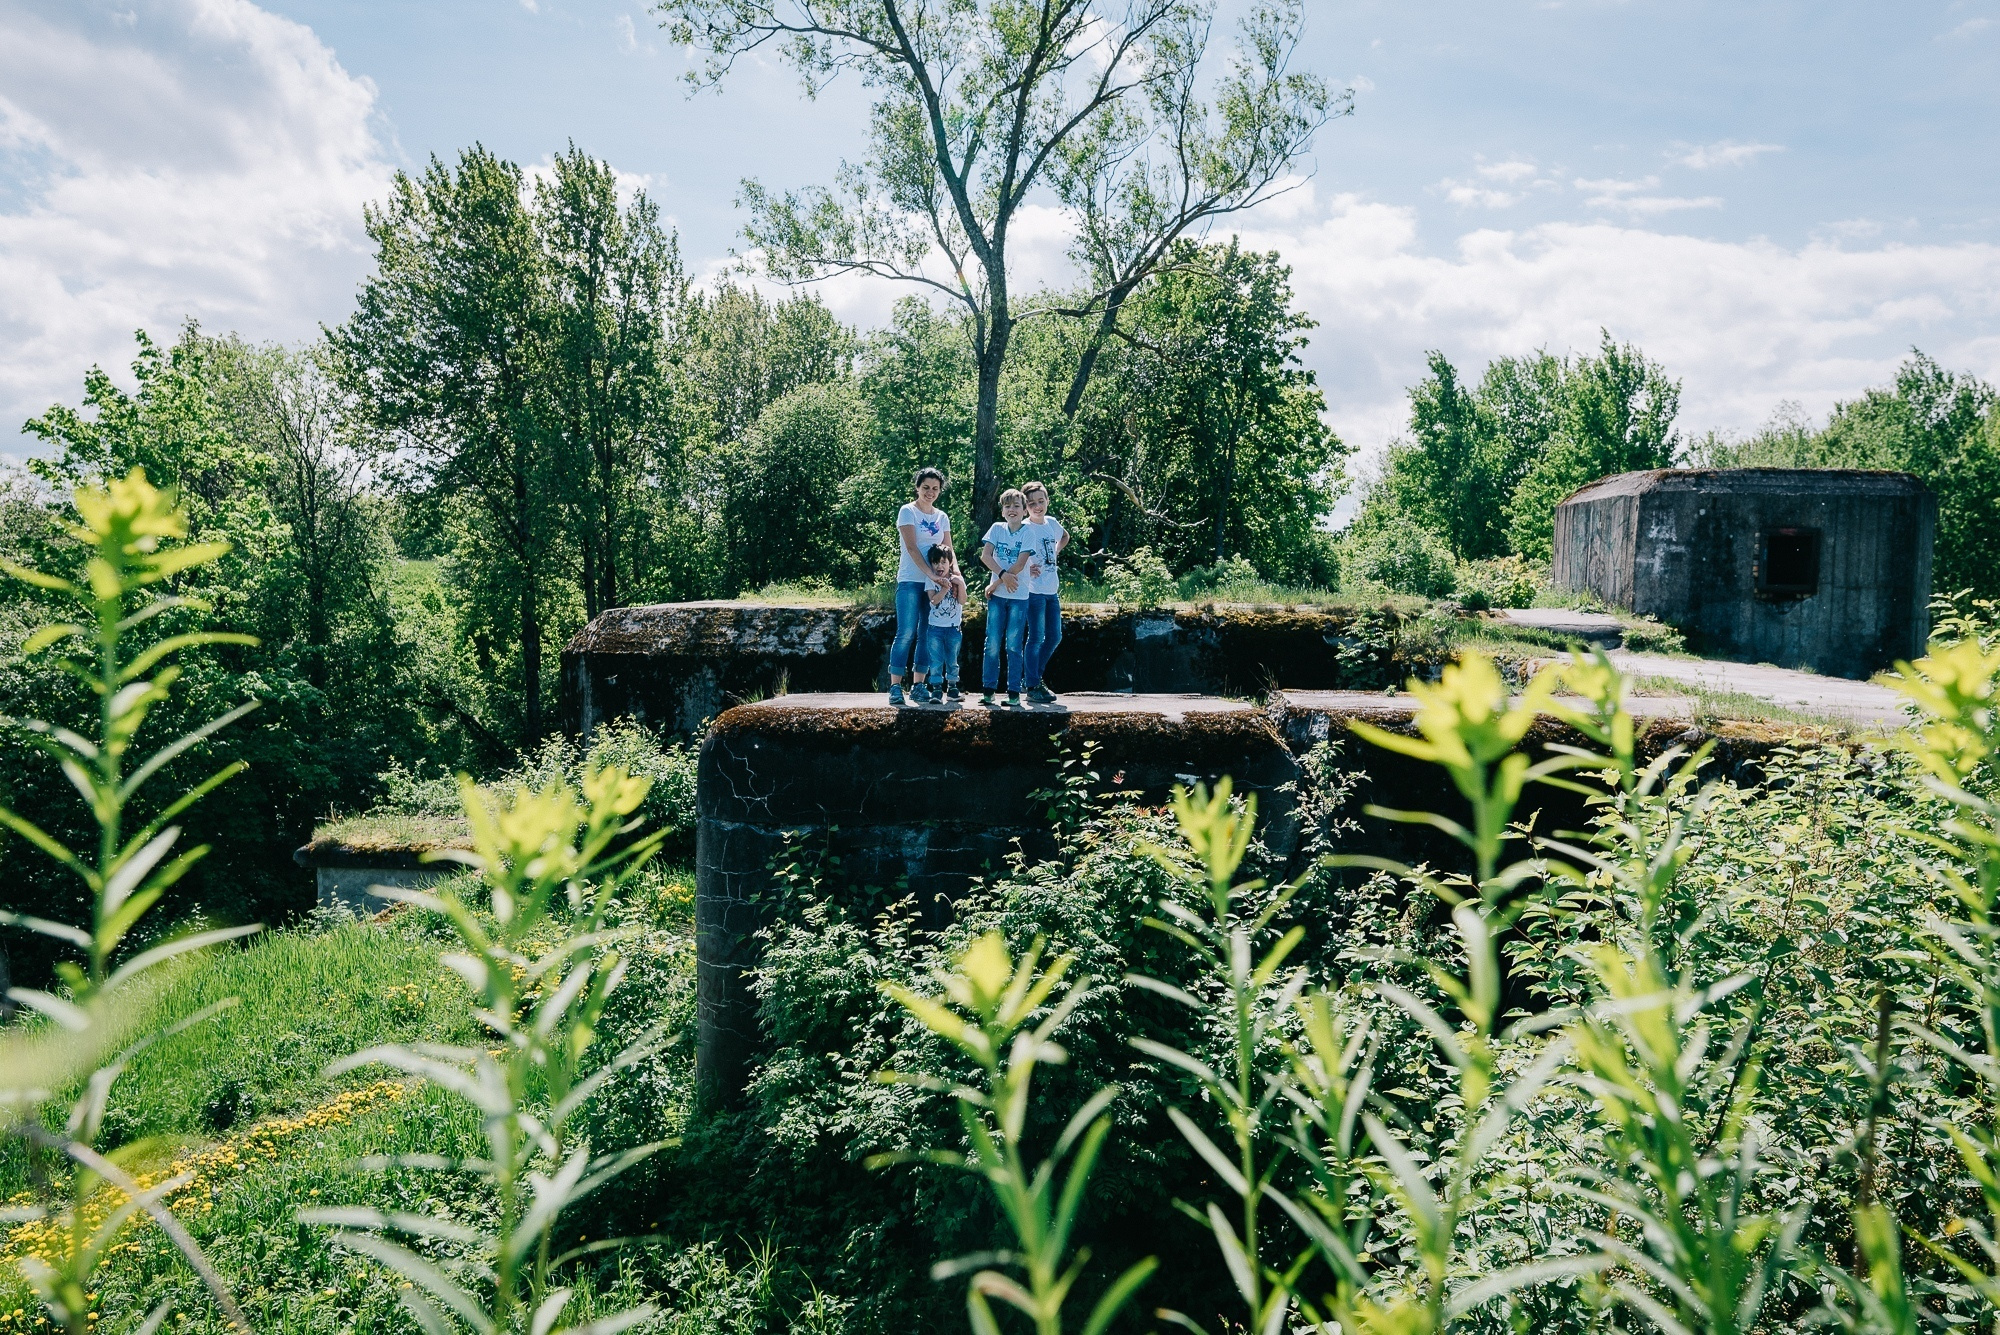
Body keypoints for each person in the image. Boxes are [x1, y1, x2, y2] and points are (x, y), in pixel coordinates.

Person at [889, 467, 950, 706]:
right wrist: (930, 575)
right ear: (917, 487)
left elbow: (948, 551)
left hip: (933, 584)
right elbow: (912, 548)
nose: (930, 492)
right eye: (926, 487)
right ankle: (895, 687)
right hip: (910, 581)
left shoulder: (942, 517)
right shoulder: (908, 512)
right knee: (906, 632)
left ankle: (918, 686)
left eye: (935, 488)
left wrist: (953, 579)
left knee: (927, 634)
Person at [979, 489, 1035, 707]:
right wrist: (1002, 576)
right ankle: (988, 690)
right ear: (1002, 511)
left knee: (1013, 644)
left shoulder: (1027, 532)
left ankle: (1013, 692)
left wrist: (995, 582)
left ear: (1024, 510)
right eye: (1008, 506)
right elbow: (986, 556)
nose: (1012, 510)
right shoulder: (996, 529)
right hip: (998, 597)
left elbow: (1021, 564)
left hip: (1019, 596)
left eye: (1017, 506)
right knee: (992, 643)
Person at [1019, 480, 1069, 704]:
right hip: (1033, 591)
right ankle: (1032, 685)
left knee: (1055, 636)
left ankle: (1032, 678)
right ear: (1025, 506)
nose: (1037, 506)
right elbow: (1012, 554)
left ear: (1047, 500)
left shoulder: (1051, 523)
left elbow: (1065, 536)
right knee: (1036, 637)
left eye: (1041, 501)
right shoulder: (1023, 528)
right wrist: (1026, 567)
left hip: (1052, 590)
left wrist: (1056, 550)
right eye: (1031, 503)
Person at [923, 544, 967, 703]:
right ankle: (936, 689)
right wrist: (943, 588)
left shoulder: (957, 580)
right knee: (935, 660)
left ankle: (953, 687)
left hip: (953, 629)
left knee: (952, 659)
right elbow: (933, 601)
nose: (939, 566)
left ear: (950, 563)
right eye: (935, 563)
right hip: (935, 629)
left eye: (943, 562)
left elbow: (962, 600)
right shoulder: (931, 580)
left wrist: (960, 584)